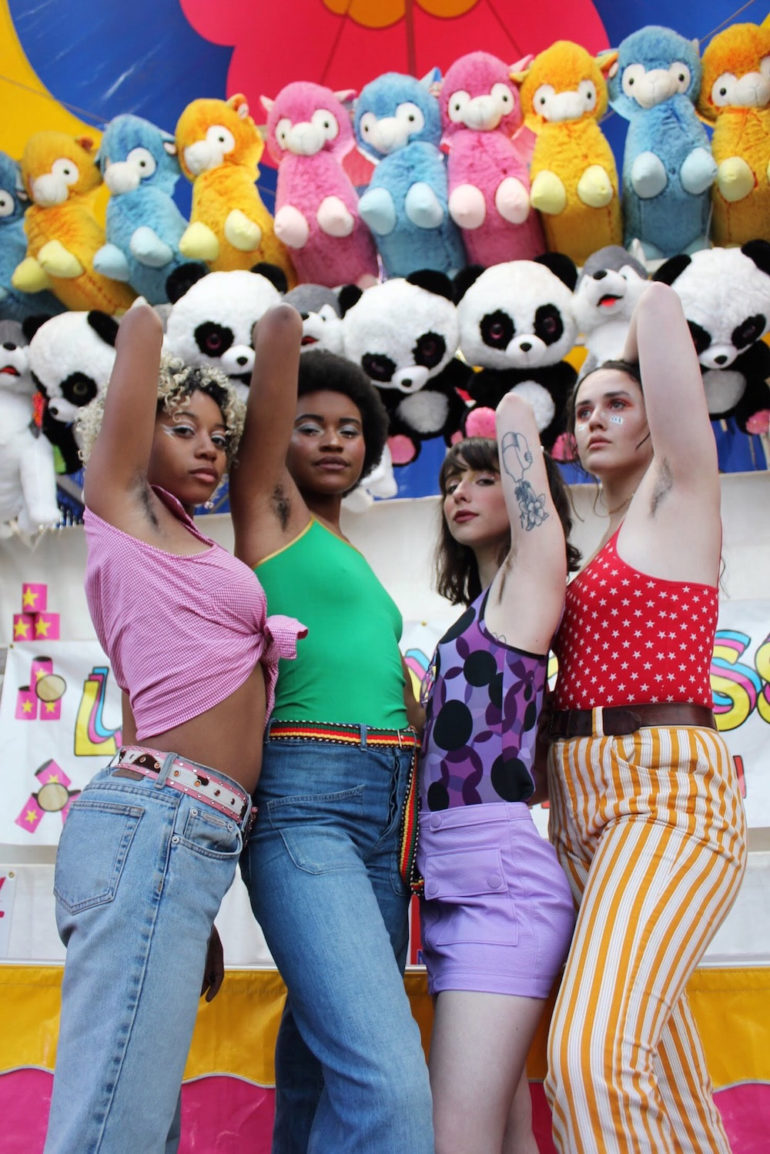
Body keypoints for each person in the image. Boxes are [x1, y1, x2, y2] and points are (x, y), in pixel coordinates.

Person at [43, 303, 304, 1154]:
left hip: (180, 841)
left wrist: (184, 897)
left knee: (140, 1123)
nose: (208, 449)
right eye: (181, 428)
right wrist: (181, 309)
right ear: (129, 432)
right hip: (155, 824)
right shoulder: (123, 512)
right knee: (112, 1124)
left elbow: (279, 338)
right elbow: (142, 325)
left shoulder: (189, 542)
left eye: (218, 437)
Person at [544, 281, 748, 1153]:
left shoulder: (680, 495)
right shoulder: (592, 549)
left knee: (589, 1063)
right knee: (659, 1073)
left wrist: (624, 329)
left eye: (617, 403)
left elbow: (661, 319)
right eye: (583, 410)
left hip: (663, 793)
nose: (595, 419)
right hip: (579, 804)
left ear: (655, 419)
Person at [229, 305, 434, 1154]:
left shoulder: (355, 559)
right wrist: (305, 318)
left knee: (322, 1062)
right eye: (308, 425)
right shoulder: (271, 518)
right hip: (307, 798)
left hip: (391, 809)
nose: (332, 441)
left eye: (351, 429)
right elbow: (277, 345)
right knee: (389, 1080)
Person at [417, 395, 578, 1154]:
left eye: (483, 479)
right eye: (451, 481)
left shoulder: (530, 584)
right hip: (451, 884)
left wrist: (501, 414)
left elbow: (522, 440)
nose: (460, 492)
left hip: (498, 886)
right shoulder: (475, 612)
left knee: (455, 1138)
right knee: (504, 1138)